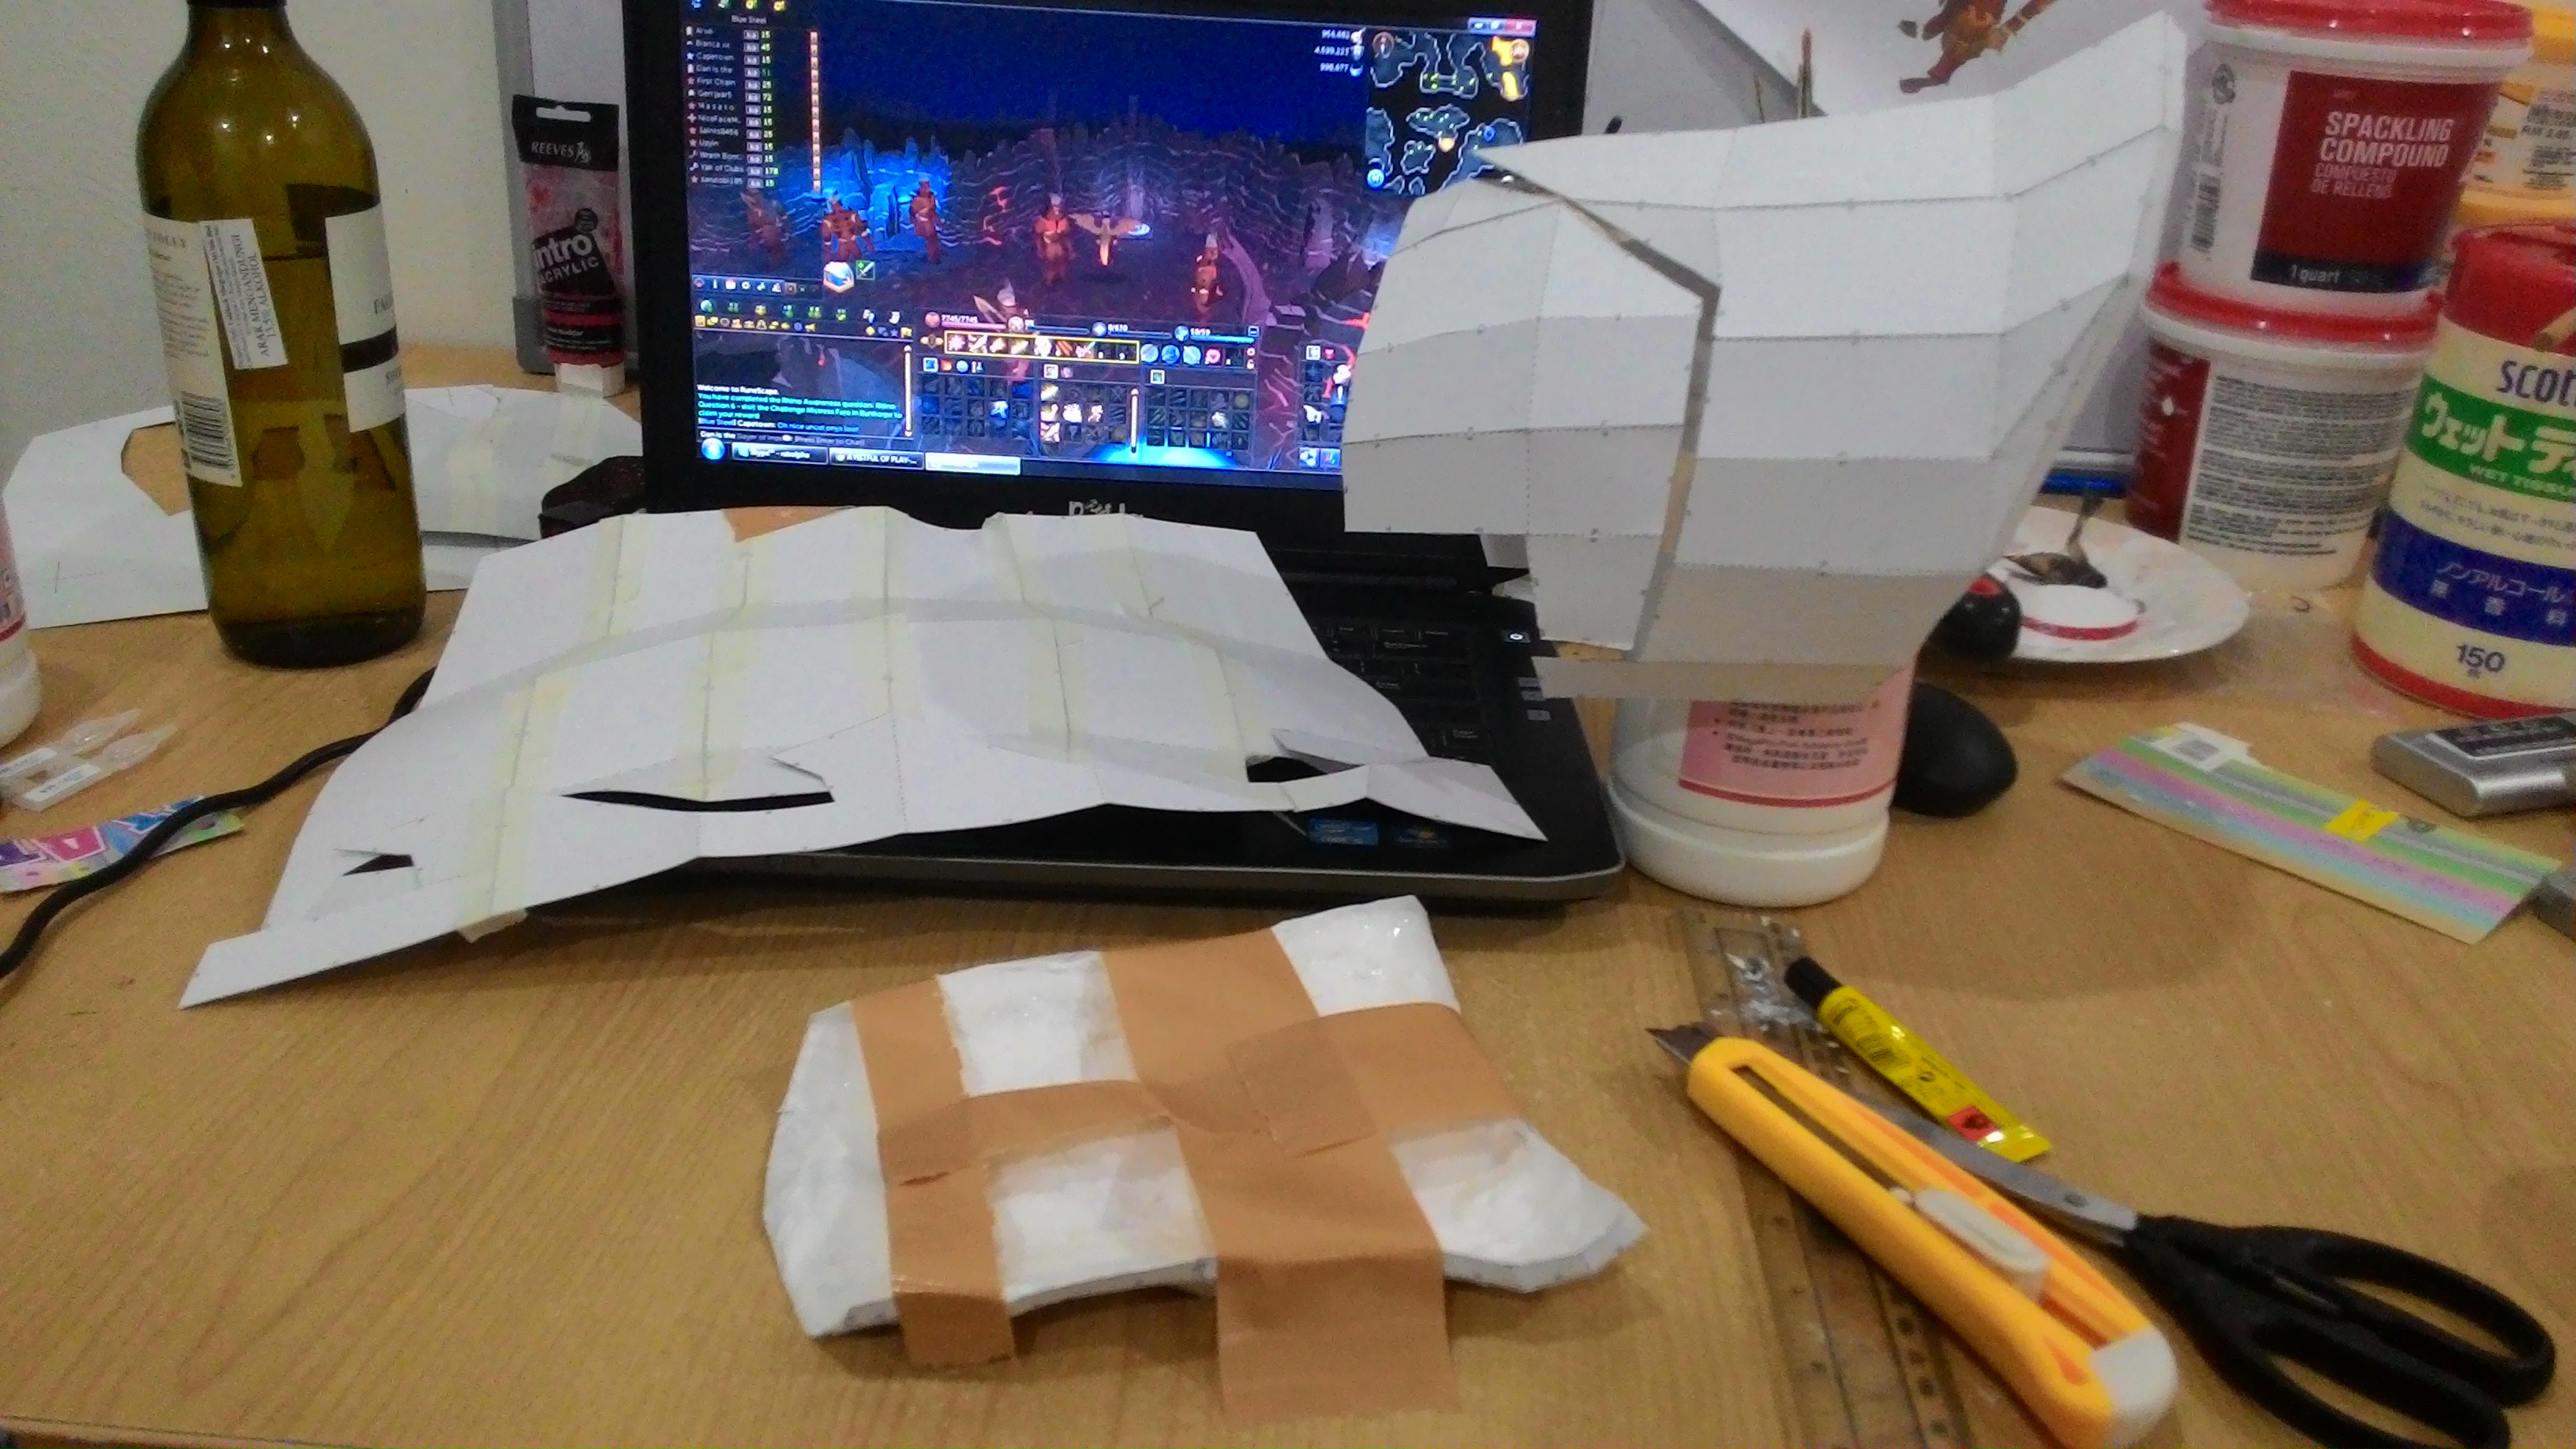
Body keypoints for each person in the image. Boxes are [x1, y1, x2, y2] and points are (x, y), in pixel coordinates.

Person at [1034, 194, 1073, 286]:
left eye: (1058, 205)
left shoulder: (1063, 219)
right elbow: (1038, 236)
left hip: (1059, 244)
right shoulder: (1043, 220)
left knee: (1062, 262)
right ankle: (1048, 281)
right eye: (1054, 206)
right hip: (1049, 245)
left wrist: (1070, 249)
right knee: (1050, 264)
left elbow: (1066, 235)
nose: (1057, 208)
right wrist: (1040, 248)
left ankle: (1062, 280)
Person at [910, 180, 944, 262]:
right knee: (930, 239)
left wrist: (936, 218)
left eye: (927, 186)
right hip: (923, 224)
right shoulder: (917, 200)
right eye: (924, 186)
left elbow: (932, 210)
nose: (927, 188)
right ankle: (931, 257)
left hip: (930, 223)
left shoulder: (931, 197)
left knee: (933, 239)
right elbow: (914, 213)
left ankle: (934, 256)